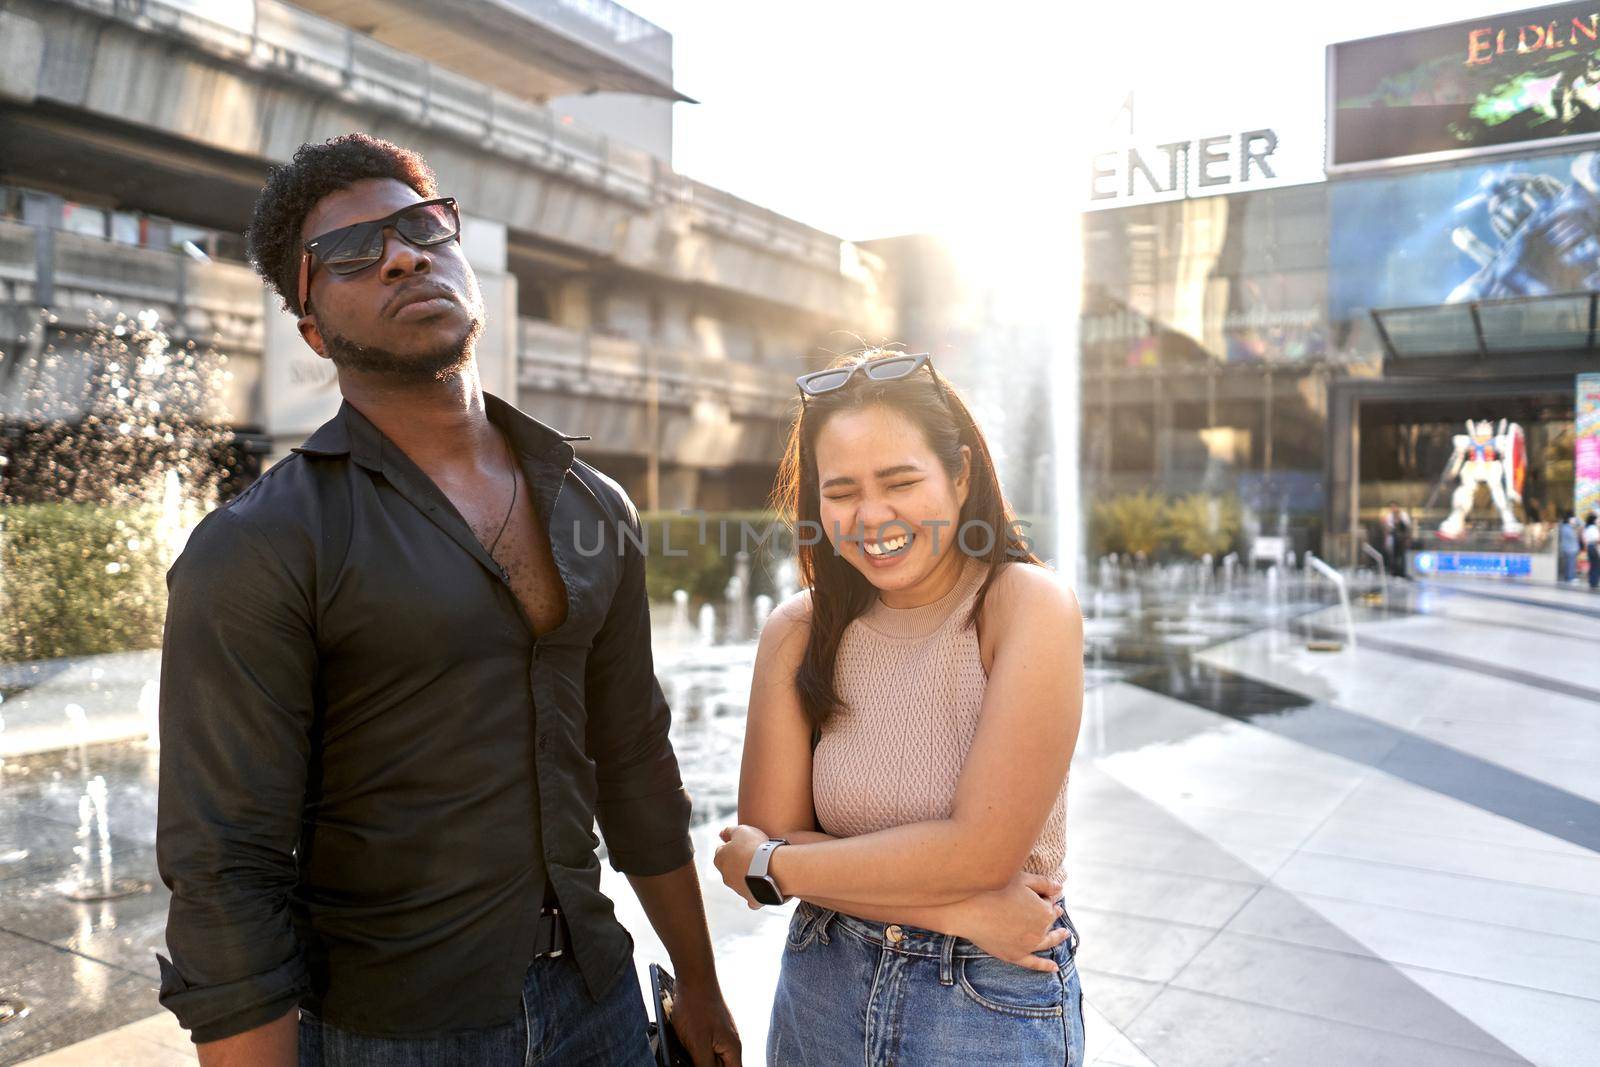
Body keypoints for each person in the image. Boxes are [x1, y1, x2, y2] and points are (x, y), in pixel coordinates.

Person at [155, 134, 741, 1067]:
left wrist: (701, 984)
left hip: (599, 1001)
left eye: (422, 226)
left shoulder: (592, 505)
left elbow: (633, 762)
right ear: (312, 327)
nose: (400, 254)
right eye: (350, 251)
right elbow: (226, 870)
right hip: (393, 1032)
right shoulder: (258, 546)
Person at [712, 350, 1085, 1066]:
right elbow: (763, 836)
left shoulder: (1024, 607)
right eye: (842, 489)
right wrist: (965, 907)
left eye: (901, 481)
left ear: (962, 474)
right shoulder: (799, 630)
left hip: (984, 1001)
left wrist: (780, 863)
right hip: (824, 986)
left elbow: (979, 850)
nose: (871, 515)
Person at [1381, 501, 1412, 579]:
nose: (1393, 509)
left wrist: (1407, 539)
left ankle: (1403, 572)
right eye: (1391, 507)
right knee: (1393, 556)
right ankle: (1394, 572)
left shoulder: (1404, 515)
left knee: (1402, 556)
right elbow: (1387, 529)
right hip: (1393, 539)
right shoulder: (1389, 516)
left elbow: (1407, 528)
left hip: (1402, 539)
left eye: (1394, 507)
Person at [1558, 512, 1580, 583]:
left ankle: (1568, 577)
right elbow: (1573, 537)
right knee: (1571, 564)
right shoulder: (1567, 528)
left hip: (1567, 548)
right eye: (1573, 519)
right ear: (1569, 520)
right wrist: (1575, 530)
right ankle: (1570, 578)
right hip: (1570, 549)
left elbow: (1579, 523)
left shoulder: (1564, 527)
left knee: (1568, 564)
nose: (1574, 521)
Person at [1586, 513, 1600, 590]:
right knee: (1596, 565)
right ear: (1594, 520)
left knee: (1592, 565)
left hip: (1589, 547)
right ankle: (1594, 582)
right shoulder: (1593, 528)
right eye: (1597, 519)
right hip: (1594, 547)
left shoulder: (1587, 528)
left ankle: (1592, 582)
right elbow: (1597, 539)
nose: (1598, 520)